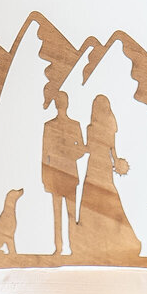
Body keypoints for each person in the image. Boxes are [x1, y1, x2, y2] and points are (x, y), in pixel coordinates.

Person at [71, 95, 141, 262]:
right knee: (101, 198)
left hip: (97, 164)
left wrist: (79, 146)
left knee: (97, 198)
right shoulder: (106, 126)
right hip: (101, 164)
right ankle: (100, 241)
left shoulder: (92, 127)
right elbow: (112, 150)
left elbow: (94, 148)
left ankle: (104, 240)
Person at [41, 91, 87, 256]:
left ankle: (71, 247)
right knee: (60, 214)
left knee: (69, 213)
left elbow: (81, 149)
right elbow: (45, 154)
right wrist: (45, 176)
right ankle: (59, 247)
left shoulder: (74, 125)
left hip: (68, 173)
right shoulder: (50, 126)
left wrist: (69, 152)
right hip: (56, 173)